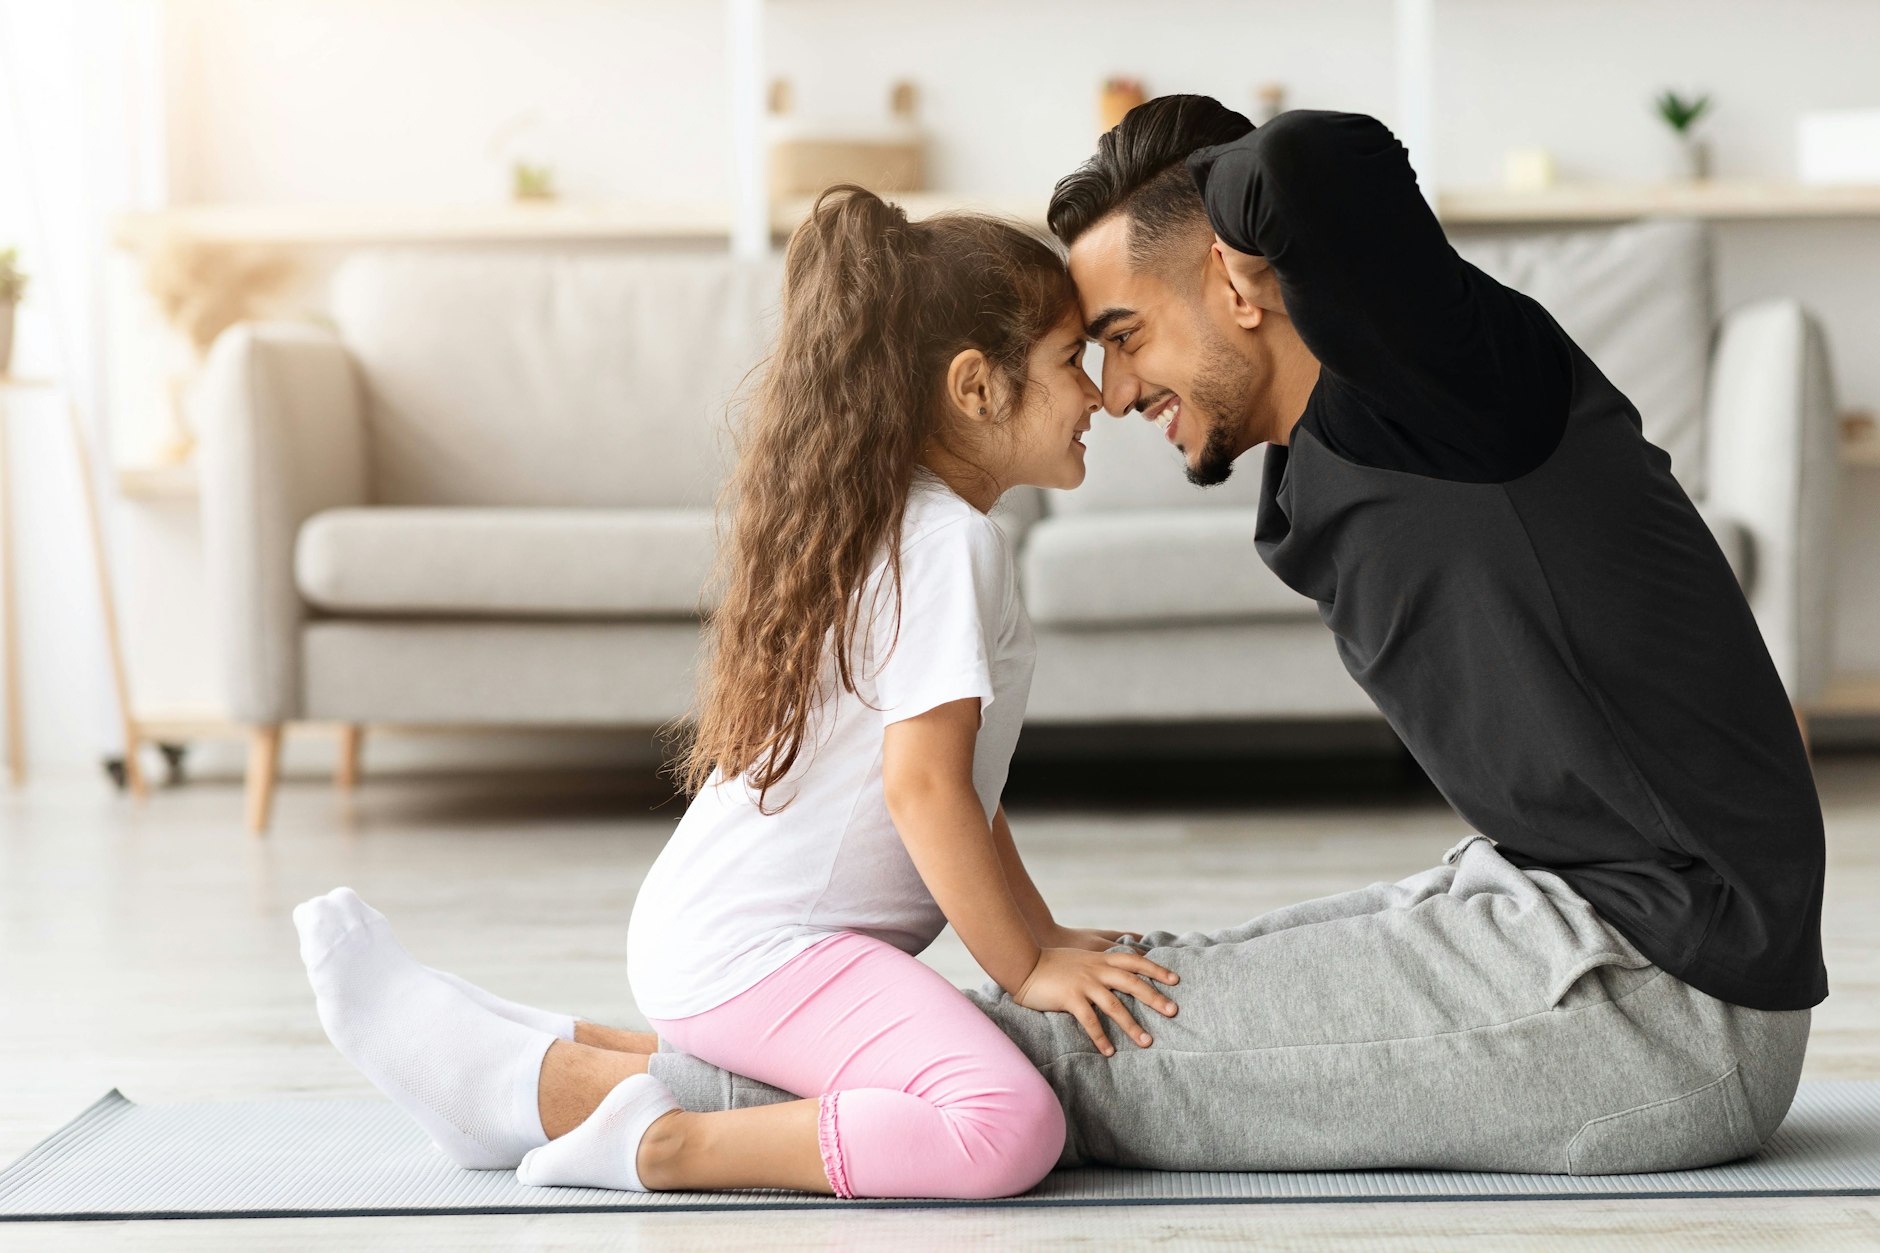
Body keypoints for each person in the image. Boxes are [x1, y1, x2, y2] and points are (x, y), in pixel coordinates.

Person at [555, 99, 1828, 1176]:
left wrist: (1204, 198)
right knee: (1138, 980)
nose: (1111, 390)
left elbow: (1320, 161)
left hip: (1667, 991)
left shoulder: (1440, 380)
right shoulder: (1335, 449)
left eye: (1120, 336)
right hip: (1552, 905)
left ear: (1235, 278)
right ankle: (663, 1060)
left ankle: (594, 1097)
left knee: (1069, 1059)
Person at [291, 184, 1181, 1201]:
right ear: (976, 386)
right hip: (758, 949)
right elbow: (925, 791)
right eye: (1070, 361)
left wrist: (1043, 929)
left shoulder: (913, 525)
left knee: (893, 1085)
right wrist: (1023, 967)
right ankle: (657, 1147)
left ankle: (504, 1069)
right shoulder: (949, 542)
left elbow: (962, 785)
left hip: (722, 939)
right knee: (1002, 1122)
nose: (1100, 395)